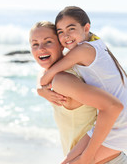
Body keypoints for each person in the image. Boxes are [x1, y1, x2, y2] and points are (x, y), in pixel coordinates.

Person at [29, 20, 126, 164]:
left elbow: (113, 107)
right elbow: (44, 73)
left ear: (62, 44)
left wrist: (87, 156)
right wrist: (39, 88)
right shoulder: (64, 71)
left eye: (48, 42)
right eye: (35, 44)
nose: (40, 48)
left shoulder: (62, 79)